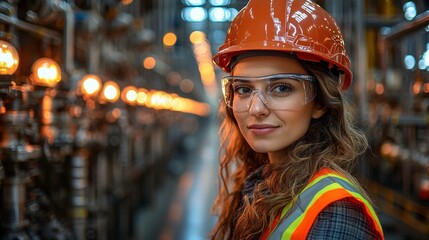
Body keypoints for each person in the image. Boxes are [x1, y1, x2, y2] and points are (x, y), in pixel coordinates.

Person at [210, 0, 384, 239]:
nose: (256, 108)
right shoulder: (262, 186)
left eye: (281, 88)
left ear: (320, 102)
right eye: (243, 89)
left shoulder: (335, 213)